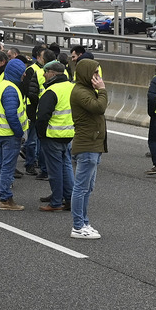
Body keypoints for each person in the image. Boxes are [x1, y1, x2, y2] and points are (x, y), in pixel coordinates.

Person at [69, 58, 109, 239]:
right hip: (86, 144)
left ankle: (85, 222)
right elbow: (99, 108)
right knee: (81, 187)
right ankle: (77, 226)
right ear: (85, 73)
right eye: (94, 73)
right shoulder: (80, 92)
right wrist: (102, 90)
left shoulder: (87, 90)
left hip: (95, 144)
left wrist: (99, 90)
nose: (98, 77)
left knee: (88, 187)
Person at [0, 58, 28, 212]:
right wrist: (19, 132)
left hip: (0, 132)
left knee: (0, 165)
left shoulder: (3, 84)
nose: (24, 75)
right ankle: (5, 199)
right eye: (22, 72)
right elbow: (11, 114)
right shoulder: (11, 89)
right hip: (9, 133)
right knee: (7, 167)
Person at [36, 61, 74, 210]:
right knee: (66, 167)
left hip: (52, 135)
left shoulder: (51, 91)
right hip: (68, 133)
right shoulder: (72, 88)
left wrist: (41, 134)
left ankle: (56, 201)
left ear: (52, 73)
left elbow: (42, 116)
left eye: (46, 72)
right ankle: (70, 199)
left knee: (55, 170)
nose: (44, 75)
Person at [20, 47, 49, 177]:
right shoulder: (31, 70)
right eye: (43, 57)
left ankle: (40, 163)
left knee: (41, 140)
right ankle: (30, 164)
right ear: (38, 57)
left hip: (44, 109)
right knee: (32, 139)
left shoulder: (49, 70)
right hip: (33, 109)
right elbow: (29, 91)